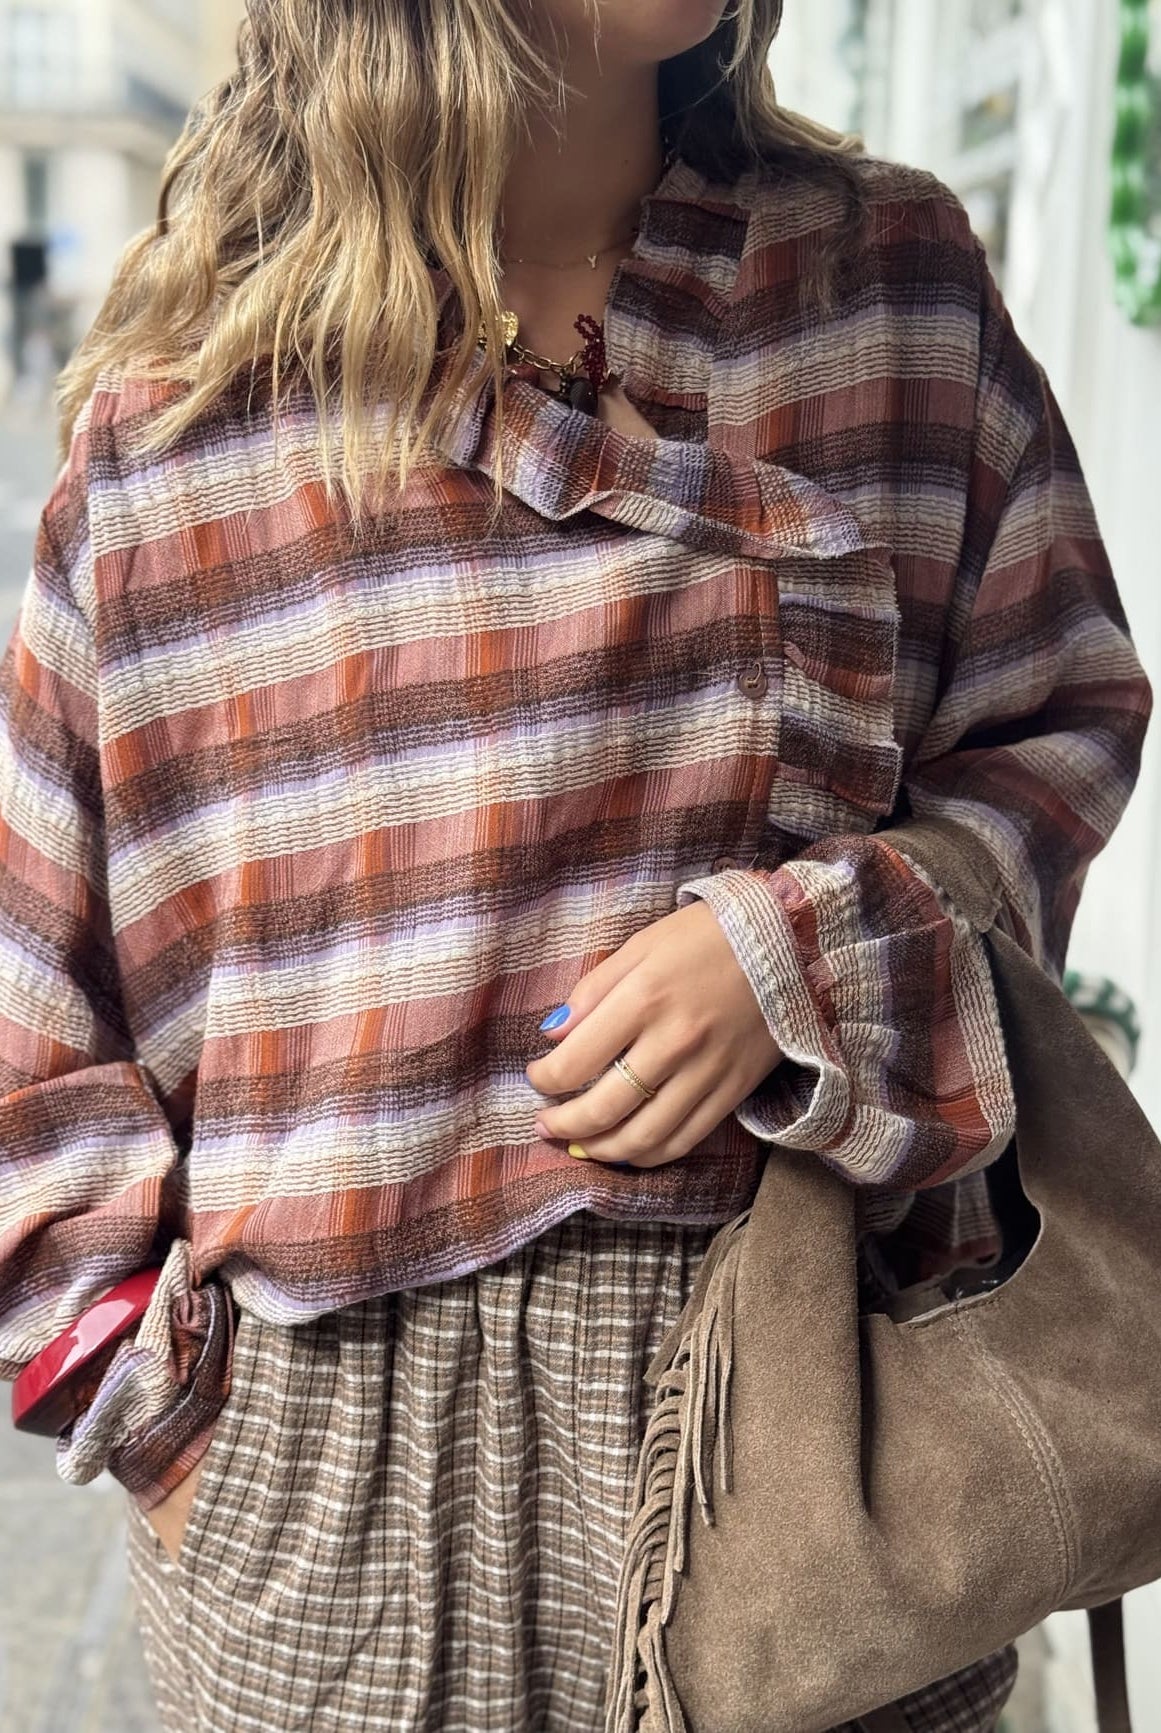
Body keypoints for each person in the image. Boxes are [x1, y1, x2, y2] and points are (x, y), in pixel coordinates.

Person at [0, 2, 1151, 1730]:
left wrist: (810, 951)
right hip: (324, 1496)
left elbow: (1053, 720)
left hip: (800, 1428)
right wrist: (163, 1423)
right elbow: (36, 975)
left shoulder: (881, 291)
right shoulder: (189, 409)